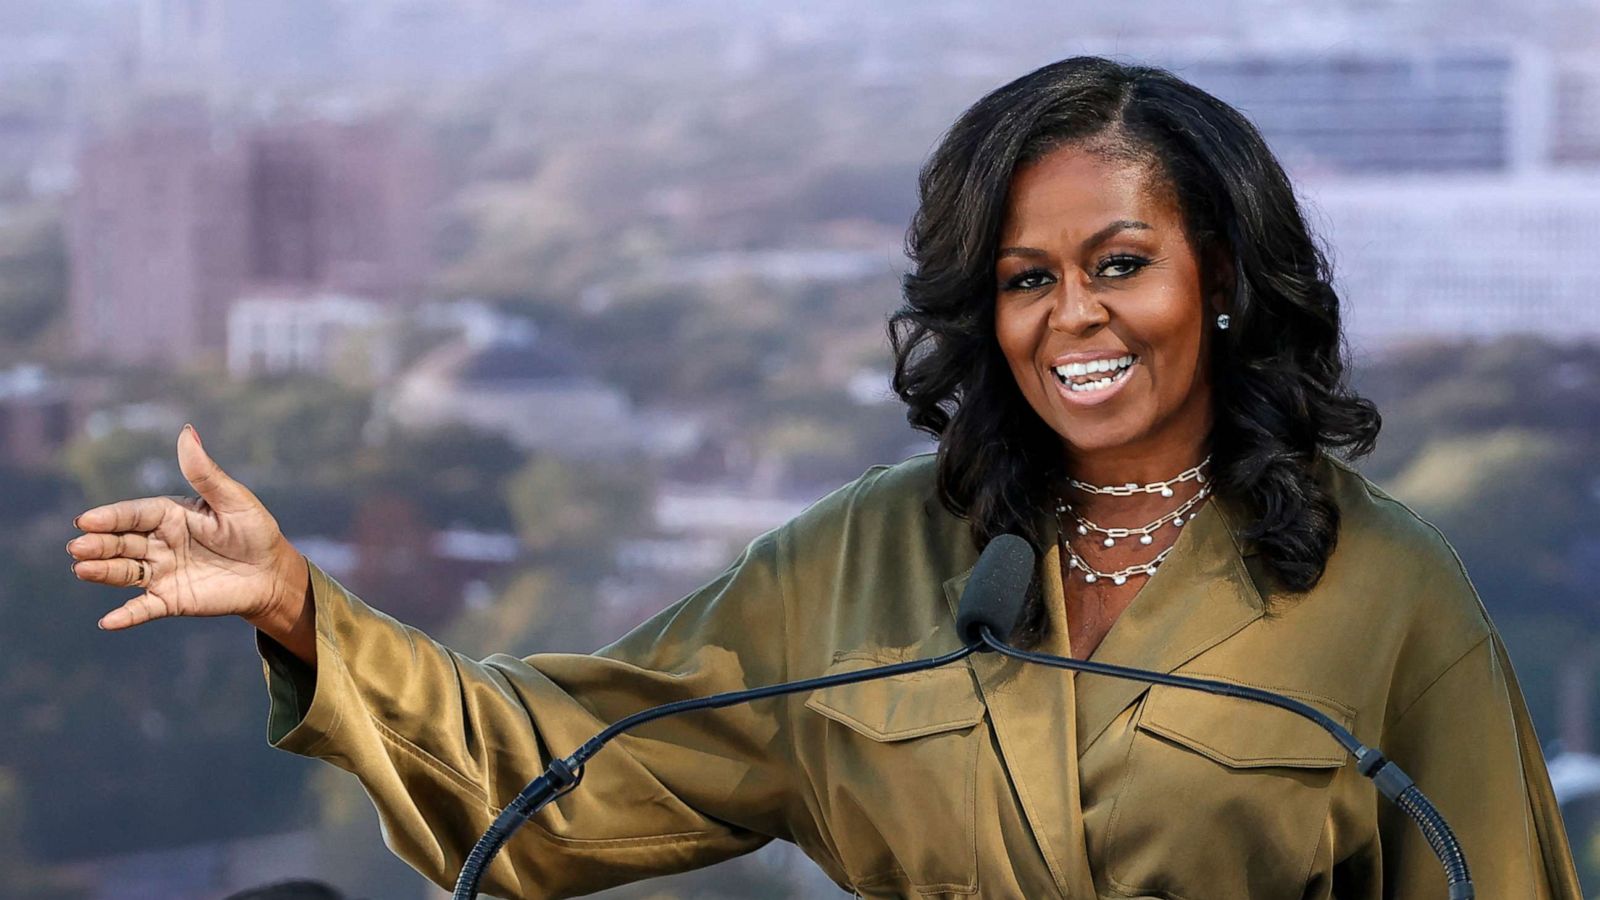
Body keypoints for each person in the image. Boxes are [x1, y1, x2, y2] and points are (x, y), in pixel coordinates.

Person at [68, 56, 1580, 899]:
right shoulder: (864, 562)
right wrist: (302, 613)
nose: (1076, 317)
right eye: (1024, 278)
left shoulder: (1384, 588)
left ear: (1227, 279)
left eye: (1124, 264)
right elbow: (558, 772)